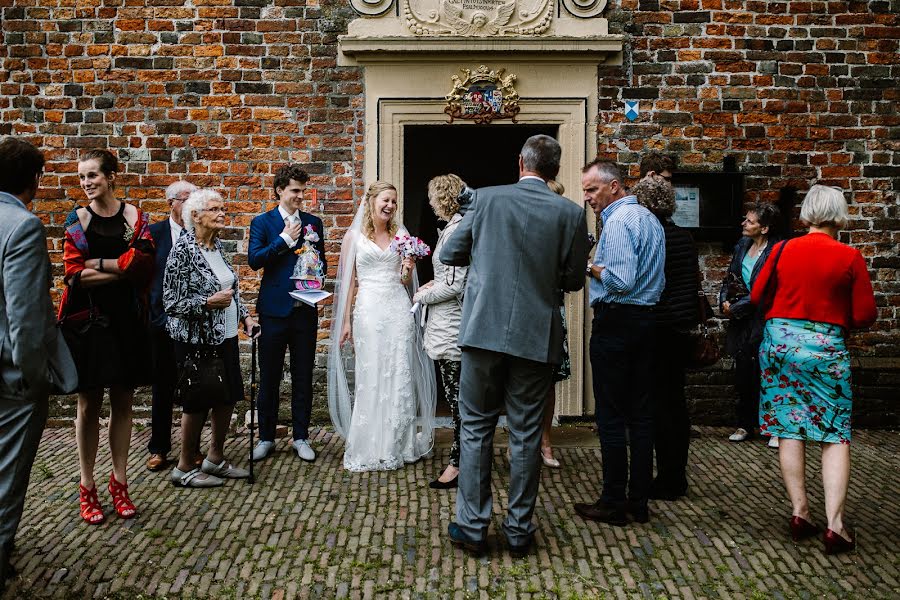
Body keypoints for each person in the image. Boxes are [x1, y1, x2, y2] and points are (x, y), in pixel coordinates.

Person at [441, 135, 590, 556]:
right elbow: (575, 280)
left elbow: (451, 252)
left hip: (483, 330)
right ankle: (520, 530)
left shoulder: (485, 201)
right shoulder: (571, 213)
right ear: (555, 171)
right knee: (525, 434)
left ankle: (472, 528)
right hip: (534, 334)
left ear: (519, 163)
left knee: (475, 428)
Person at [751, 185, 876, 555]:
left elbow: (757, 296)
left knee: (790, 426)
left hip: (780, 344)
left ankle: (800, 512)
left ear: (806, 214)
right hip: (825, 348)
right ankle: (835, 524)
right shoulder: (849, 256)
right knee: (834, 432)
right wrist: (838, 319)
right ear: (839, 214)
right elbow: (865, 314)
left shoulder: (781, 249)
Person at [60, 149, 154, 523]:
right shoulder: (78, 219)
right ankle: (87, 486)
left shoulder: (134, 216)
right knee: (88, 404)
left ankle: (120, 482)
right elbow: (73, 274)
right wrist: (121, 268)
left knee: (123, 402)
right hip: (89, 323)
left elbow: (145, 266)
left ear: (112, 176)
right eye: (82, 177)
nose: (86, 183)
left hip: (127, 322)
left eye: (93, 176)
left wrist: (96, 265)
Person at [0, 138, 77, 588]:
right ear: (33, 180)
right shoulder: (22, 226)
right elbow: (26, 319)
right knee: (8, 473)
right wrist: (33, 381)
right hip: (12, 378)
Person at [575, 160, 665, 526]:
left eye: (592, 189)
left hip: (618, 322)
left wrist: (589, 265)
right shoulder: (650, 219)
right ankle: (638, 501)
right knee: (642, 415)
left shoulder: (619, 221)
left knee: (611, 415)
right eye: (585, 190)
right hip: (647, 322)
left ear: (614, 187)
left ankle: (613, 501)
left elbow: (621, 280)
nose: (587, 198)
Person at [328, 181, 436, 472]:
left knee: (399, 373)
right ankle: (371, 442)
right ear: (372, 201)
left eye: (394, 202)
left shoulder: (400, 235)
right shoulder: (354, 237)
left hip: (398, 309)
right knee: (372, 375)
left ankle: (396, 443)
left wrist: (408, 268)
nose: (390, 206)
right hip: (369, 311)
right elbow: (349, 282)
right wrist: (346, 321)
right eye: (386, 200)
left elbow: (403, 281)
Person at [163, 189, 258, 487]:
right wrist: (206, 303)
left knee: (228, 396)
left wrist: (245, 316)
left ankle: (215, 458)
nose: (221, 214)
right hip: (197, 340)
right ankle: (183, 467)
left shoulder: (217, 247)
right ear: (195, 215)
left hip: (226, 335)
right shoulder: (182, 253)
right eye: (214, 209)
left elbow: (231, 290)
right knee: (197, 402)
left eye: (223, 209)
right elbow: (171, 303)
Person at [248, 165, 326, 463]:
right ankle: (266, 437)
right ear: (280, 190)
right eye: (295, 190)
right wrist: (283, 240)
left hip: (304, 310)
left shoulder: (313, 223)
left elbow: (322, 263)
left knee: (303, 376)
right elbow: (255, 260)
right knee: (269, 377)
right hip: (273, 312)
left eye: (303, 191)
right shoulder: (263, 222)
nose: (300, 196)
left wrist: (315, 276)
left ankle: (301, 436)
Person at [634, 175, 699, 500]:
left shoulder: (651, 235)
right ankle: (676, 474)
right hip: (681, 328)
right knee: (675, 404)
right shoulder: (684, 237)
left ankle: (665, 479)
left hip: (656, 326)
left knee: (655, 405)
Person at [413, 174, 470, 490]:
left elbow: (456, 284)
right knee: (457, 394)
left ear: (442, 198)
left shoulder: (457, 231)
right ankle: (463, 458)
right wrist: (433, 283)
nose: (431, 203)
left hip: (452, 325)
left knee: (457, 397)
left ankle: (459, 464)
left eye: (433, 197)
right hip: (445, 320)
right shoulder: (452, 228)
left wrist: (422, 294)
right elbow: (447, 276)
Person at [146, 180, 198, 472]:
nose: (191, 206)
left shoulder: (200, 233)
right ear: (172, 203)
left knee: (193, 387)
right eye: (186, 200)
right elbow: (146, 281)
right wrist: (156, 317)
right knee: (162, 386)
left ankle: (192, 449)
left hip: (193, 323)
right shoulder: (154, 234)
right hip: (162, 323)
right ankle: (159, 448)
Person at [719, 203, 781, 447]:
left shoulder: (775, 251)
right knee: (744, 371)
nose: (744, 224)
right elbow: (730, 277)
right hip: (741, 321)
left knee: (768, 372)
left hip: (763, 318)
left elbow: (764, 290)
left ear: (764, 228)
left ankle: (774, 426)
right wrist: (724, 300)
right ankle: (745, 424)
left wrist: (736, 307)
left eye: (750, 221)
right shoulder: (742, 246)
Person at [539, 178, 574, 469]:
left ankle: (546, 441)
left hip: (552, 310)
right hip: (524, 311)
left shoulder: (566, 233)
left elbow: (571, 279)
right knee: (517, 381)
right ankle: (520, 439)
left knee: (548, 381)